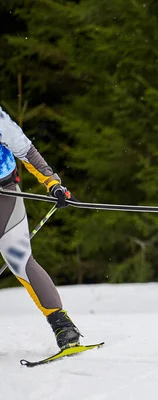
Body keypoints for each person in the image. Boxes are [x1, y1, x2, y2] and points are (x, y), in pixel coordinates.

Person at [0, 106, 81, 350]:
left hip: (4, 194)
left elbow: (27, 152)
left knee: (19, 258)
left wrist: (53, 184)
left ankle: (62, 325)